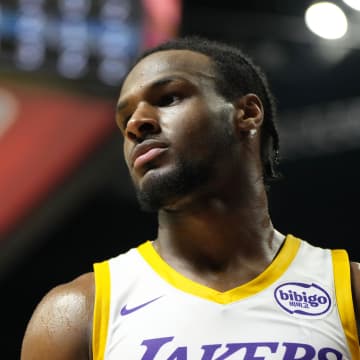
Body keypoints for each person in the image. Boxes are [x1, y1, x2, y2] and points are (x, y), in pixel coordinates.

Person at [21, 35, 360, 360]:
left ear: (247, 113)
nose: (137, 123)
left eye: (168, 98)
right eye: (125, 119)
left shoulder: (349, 289)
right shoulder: (78, 312)